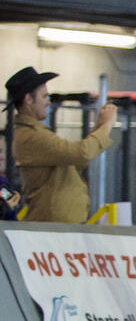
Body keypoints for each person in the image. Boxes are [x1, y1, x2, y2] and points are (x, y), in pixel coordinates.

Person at [6, 66, 116, 224]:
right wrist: (107, 125)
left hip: (60, 229)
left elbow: (75, 160)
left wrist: (99, 127)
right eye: (44, 97)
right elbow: (81, 153)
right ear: (28, 99)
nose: (48, 102)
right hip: (54, 229)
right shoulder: (31, 137)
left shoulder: (35, 134)